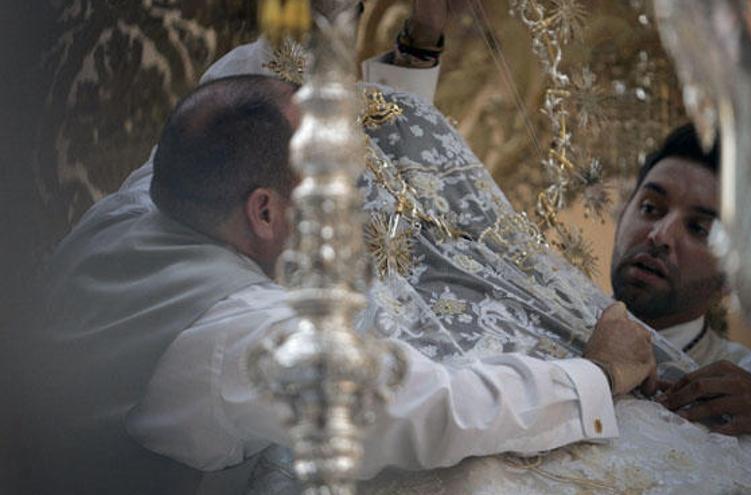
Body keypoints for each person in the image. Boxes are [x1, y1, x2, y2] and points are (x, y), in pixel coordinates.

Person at [23, 7, 655, 495]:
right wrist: (594, 378)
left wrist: (419, 38)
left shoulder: (163, 187)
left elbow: (250, 82)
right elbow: (432, 411)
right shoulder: (237, 341)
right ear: (265, 210)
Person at [609, 124, 751, 436]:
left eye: (698, 228)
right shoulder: (539, 317)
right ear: (623, 214)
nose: (660, 235)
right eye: (650, 208)